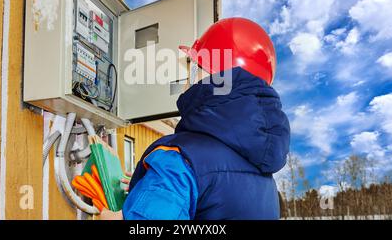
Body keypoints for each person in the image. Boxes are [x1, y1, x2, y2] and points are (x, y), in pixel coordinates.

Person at [99, 17, 290, 220]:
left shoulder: (178, 159)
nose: (185, 78)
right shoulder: (265, 179)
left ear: (211, 77)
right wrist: (152, 190)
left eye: (191, 66)